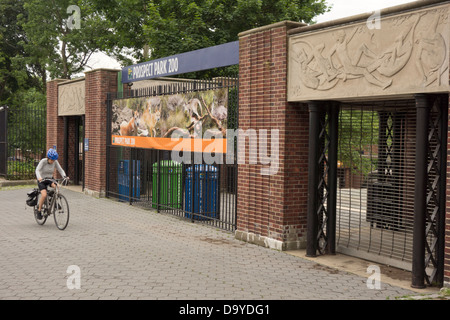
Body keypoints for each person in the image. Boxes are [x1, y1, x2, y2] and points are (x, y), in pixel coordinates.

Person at [35, 148, 69, 219]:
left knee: (56, 186)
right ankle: (38, 210)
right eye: (52, 160)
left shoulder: (55, 162)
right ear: (48, 158)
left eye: (54, 160)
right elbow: (37, 170)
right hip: (42, 180)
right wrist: (39, 178)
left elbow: (60, 169)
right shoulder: (43, 161)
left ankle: (54, 200)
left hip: (50, 178)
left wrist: (65, 176)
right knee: (44, 195)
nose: (53, 161)